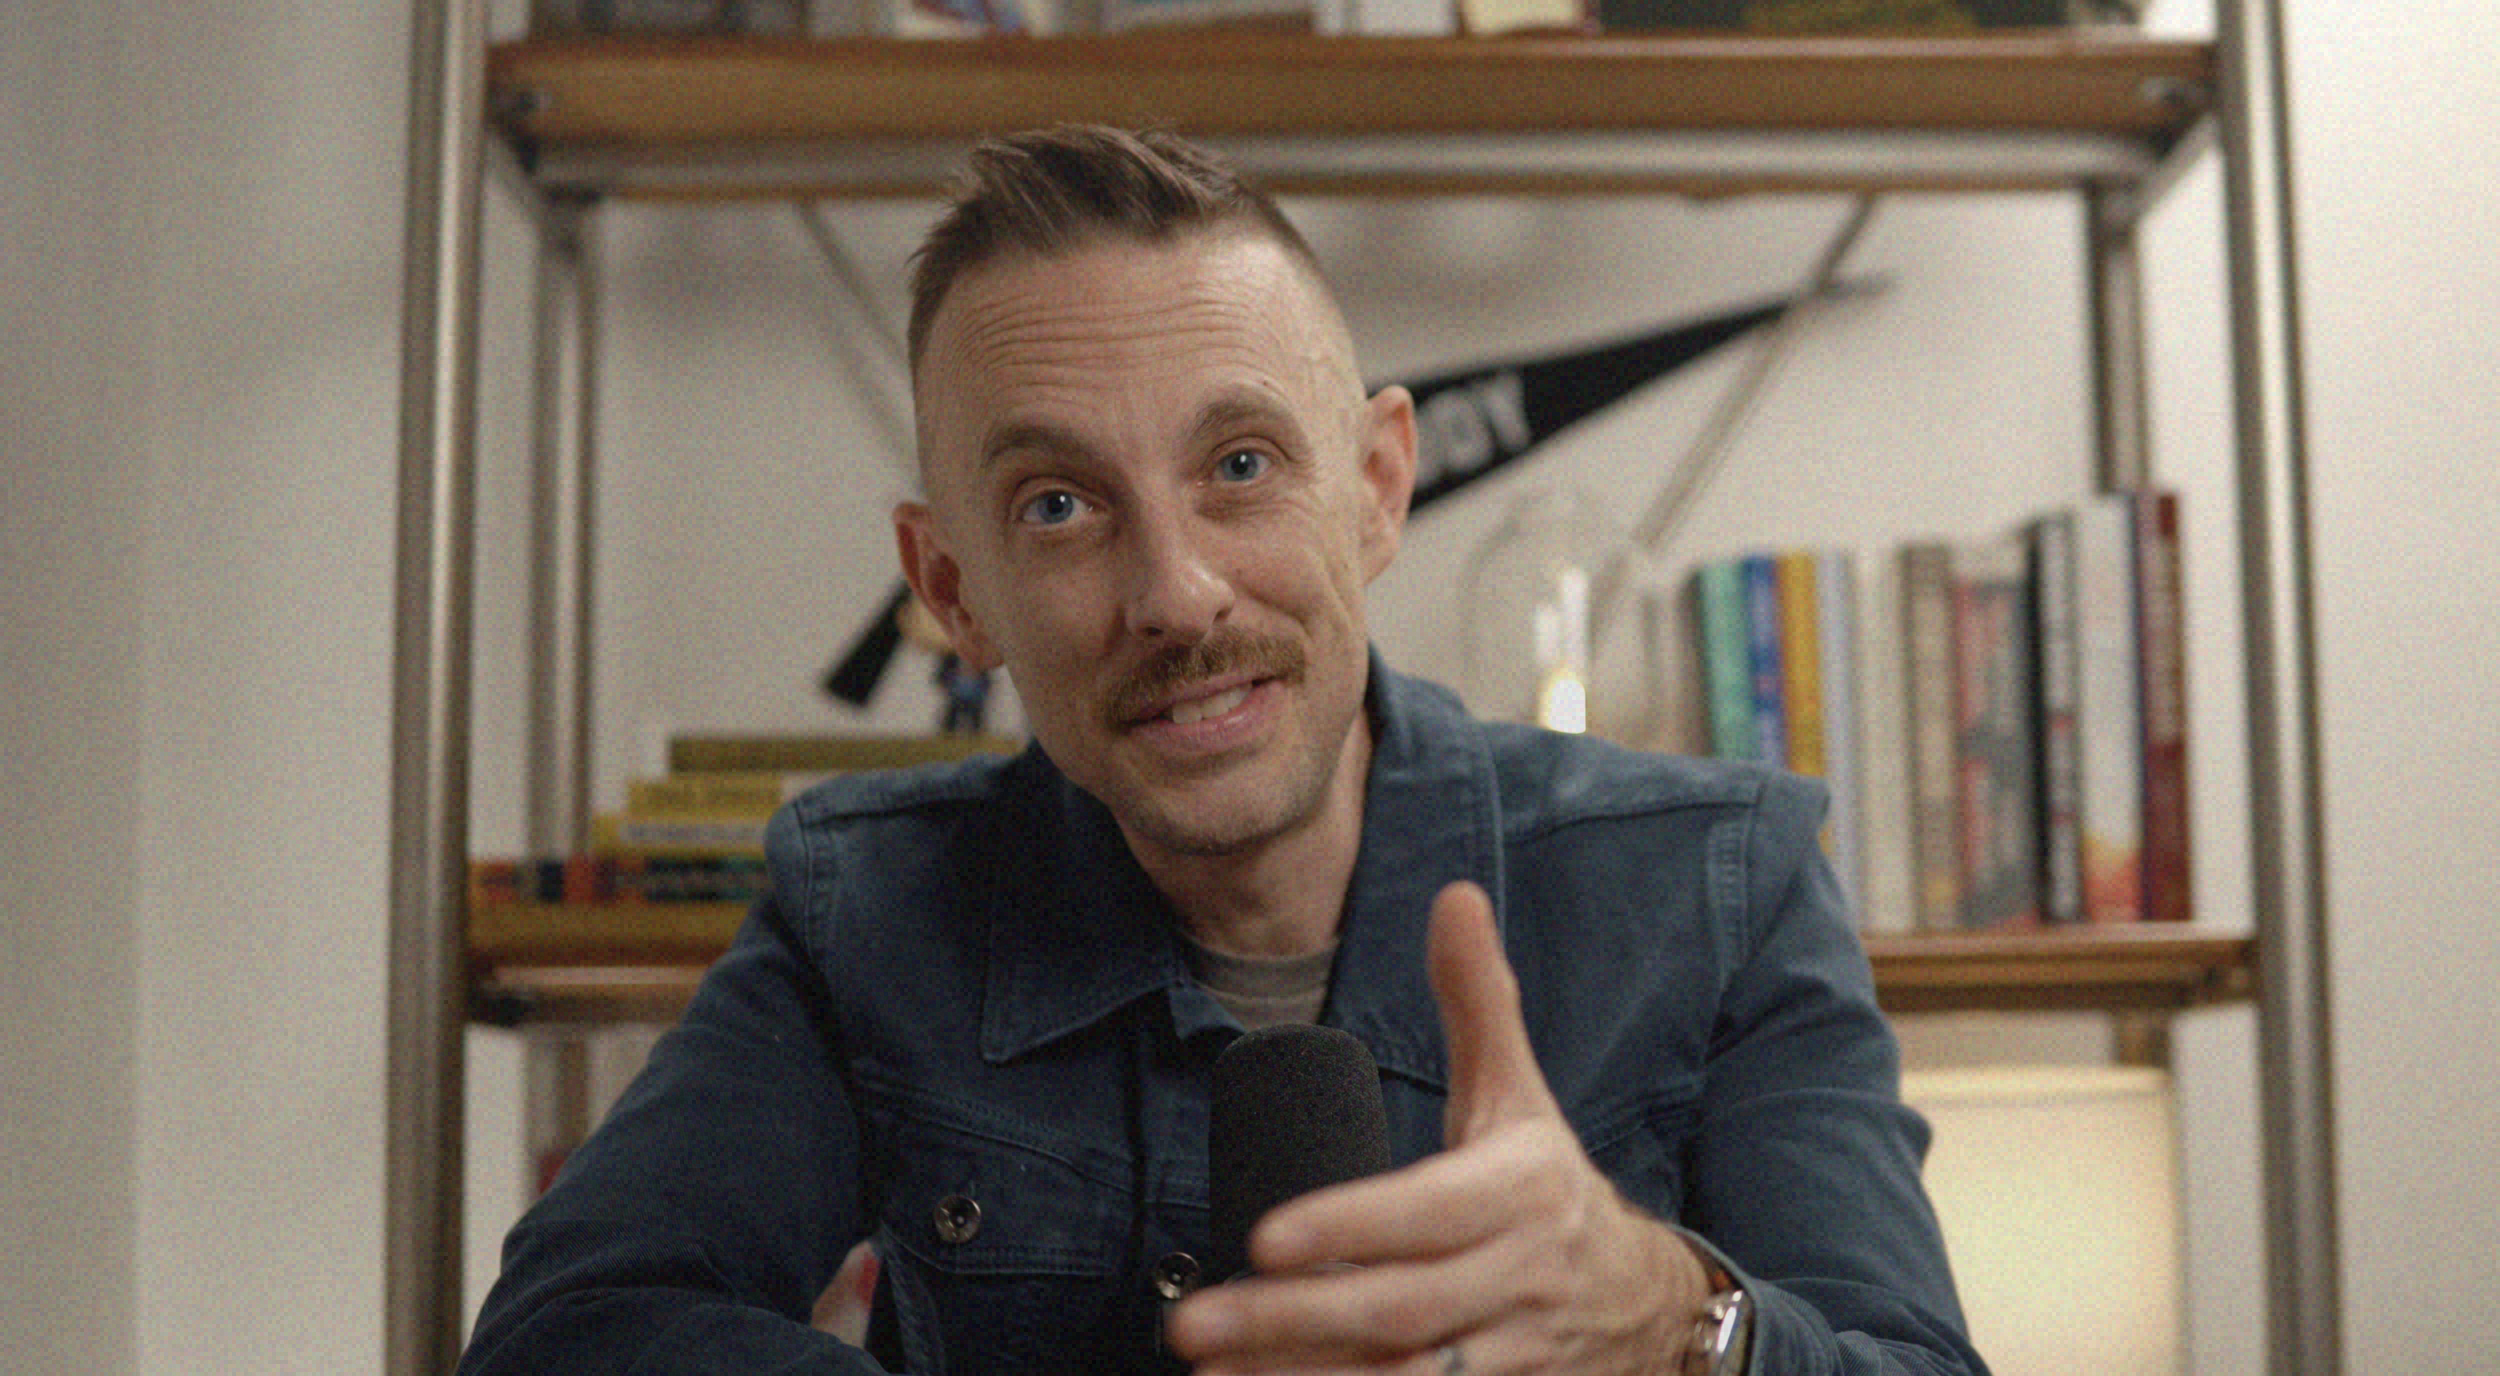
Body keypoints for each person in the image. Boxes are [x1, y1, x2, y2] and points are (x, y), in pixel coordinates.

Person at [459, 125, 1986, 1376]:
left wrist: (1671, 1323)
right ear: (952, 590)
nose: (1178, 596)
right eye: (1060, 505)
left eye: (1241, 464)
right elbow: (569, 1338)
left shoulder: (1722, 886)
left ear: (1377, 487)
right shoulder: (867, 912)